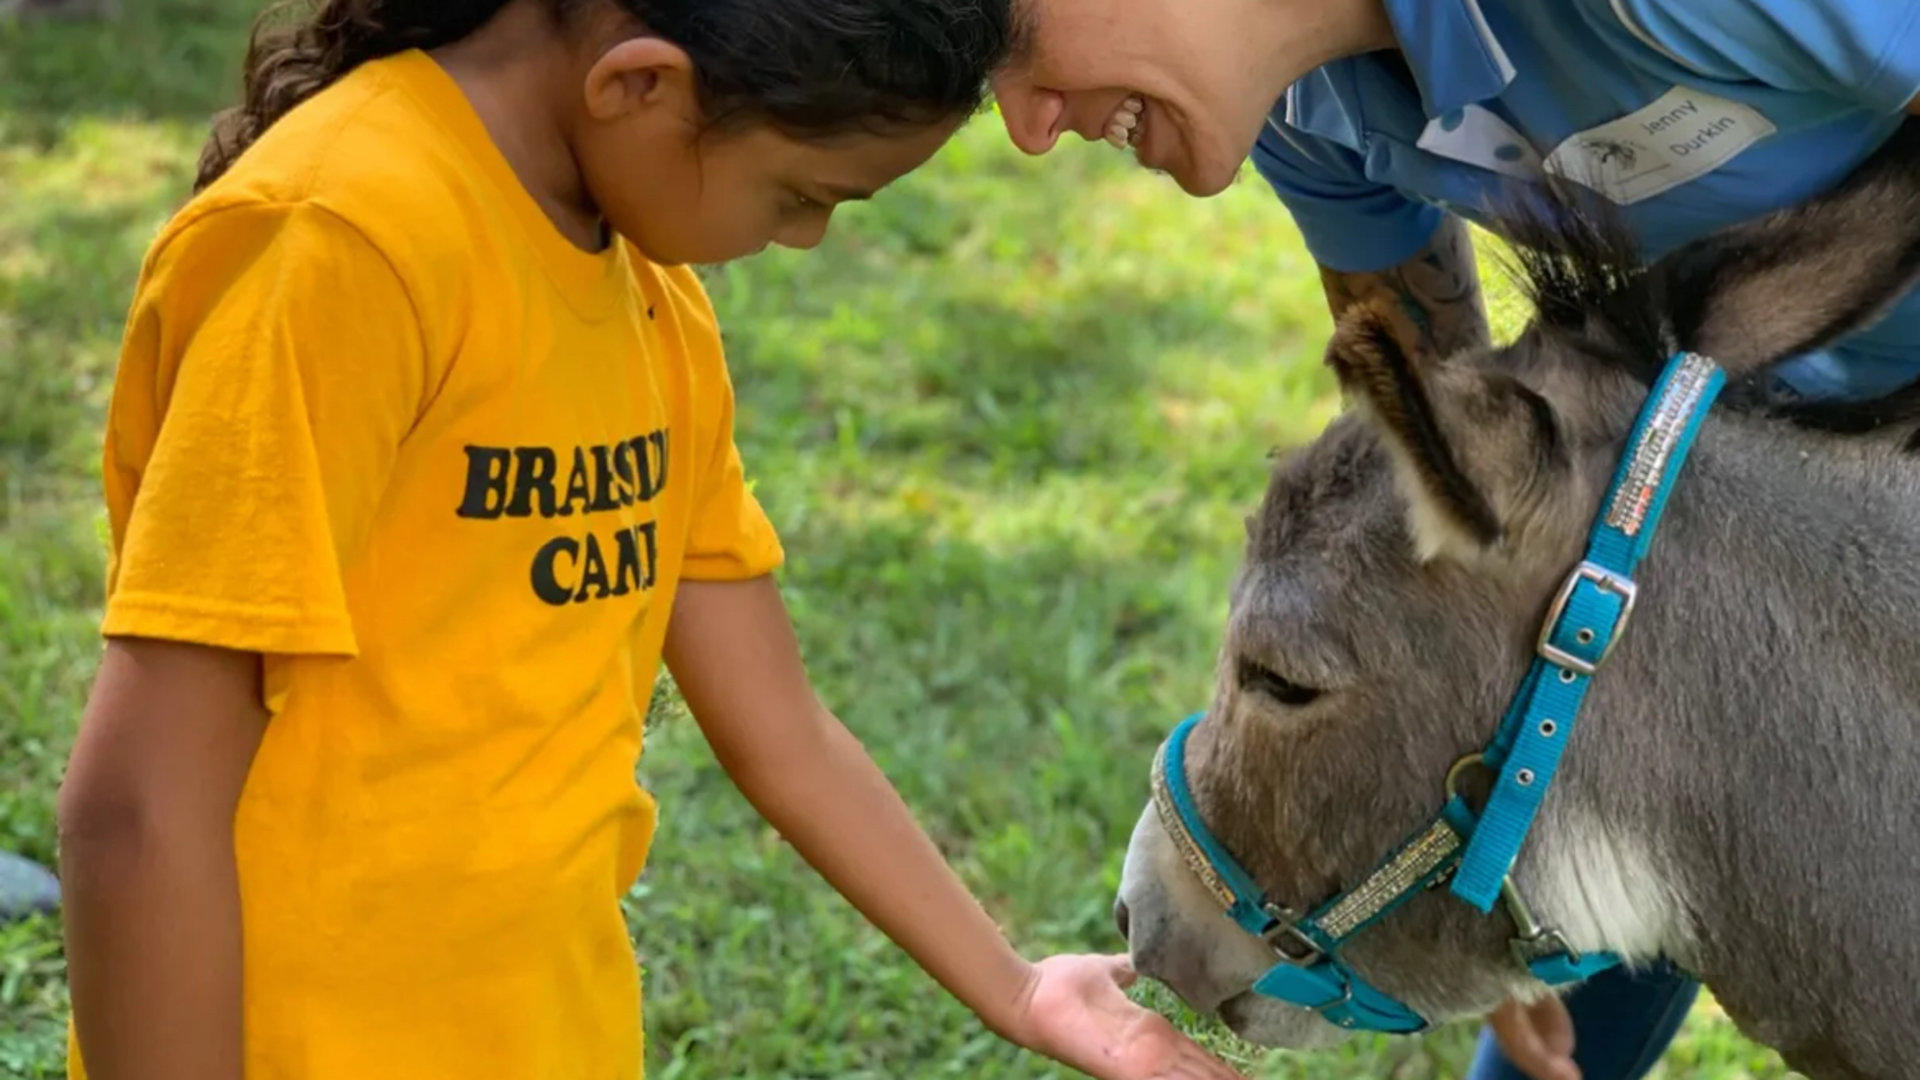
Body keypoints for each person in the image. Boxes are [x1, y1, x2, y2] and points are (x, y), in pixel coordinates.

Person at [53, 2, 1248, 1079]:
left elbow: (779, 728)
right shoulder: (341, 241)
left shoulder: (649, 303)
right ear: (641, 86)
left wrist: (1019, 986)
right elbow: (141, 808)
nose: (805, 239)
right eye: (803, 195)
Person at [989, 0, 1920, 1077]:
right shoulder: (1305, 114)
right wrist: (1443, 894)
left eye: (1009, 31)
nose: (1022, 121)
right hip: (1720, 470)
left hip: (1815, 467)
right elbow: (1445, 510)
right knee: (1585, 650)